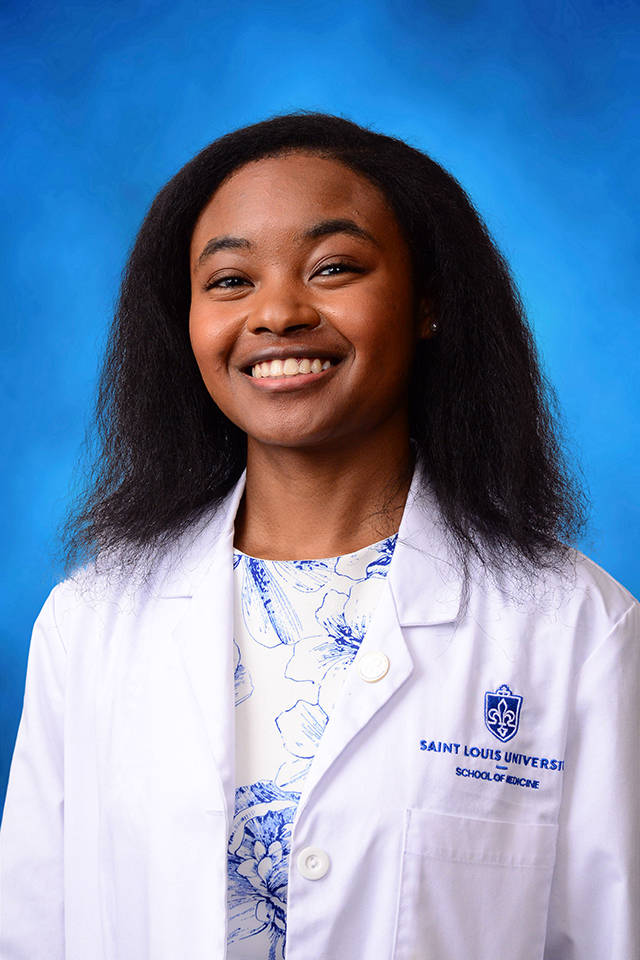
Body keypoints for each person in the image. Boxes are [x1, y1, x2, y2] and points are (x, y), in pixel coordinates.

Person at [1, 112, 637, 960]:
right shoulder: (88, 625)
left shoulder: (577, 630)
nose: (277, 313)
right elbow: (34, 931)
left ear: (428, 305)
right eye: (229, 280)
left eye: (333, 268)